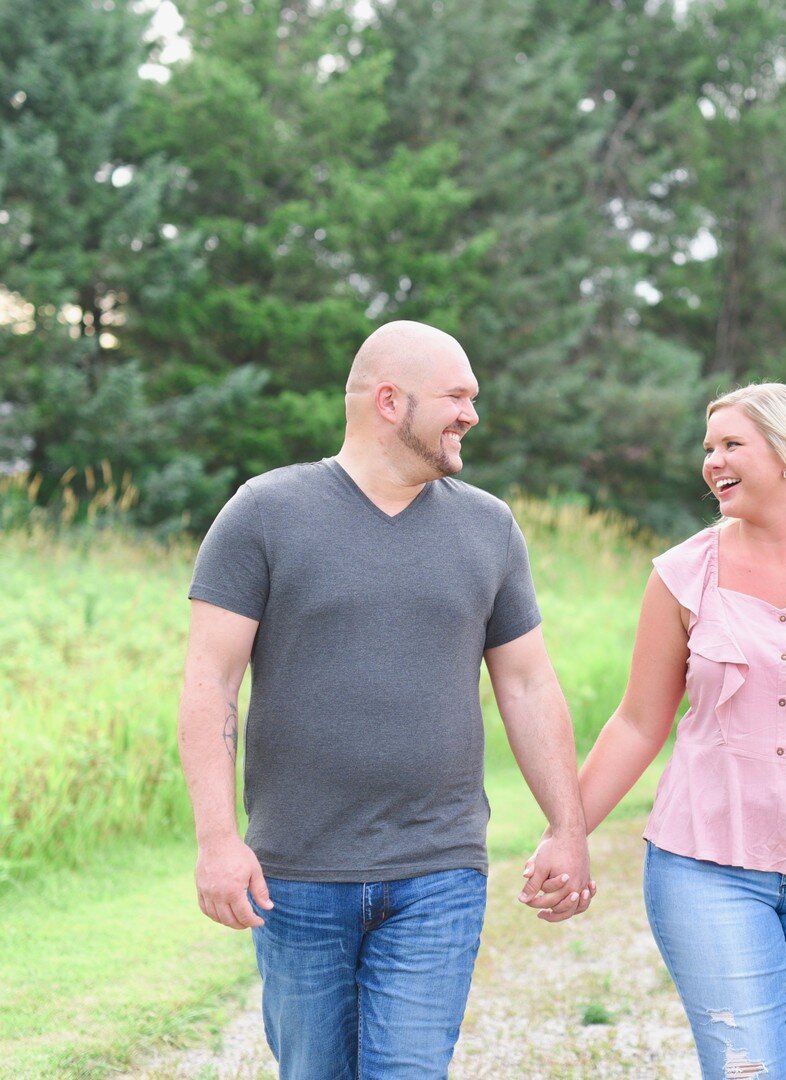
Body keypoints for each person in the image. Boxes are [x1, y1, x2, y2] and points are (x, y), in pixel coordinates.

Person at [178, 320, 592, 1079]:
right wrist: (216, 839)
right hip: (296, 874)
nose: (473, 413)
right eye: (457, 396)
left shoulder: (488, 527)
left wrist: (569, 828)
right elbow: (210, 682)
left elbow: (529, 685)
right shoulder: (264, 514)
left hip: (439, 869)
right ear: (390, 401)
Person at [522, 382, 786, 1078]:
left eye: (731, 445)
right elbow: (636, 722)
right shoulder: (685, 574)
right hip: (703, 867)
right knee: (745, 1068)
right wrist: (567, 832)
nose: (713, 460)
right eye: (708, 447)